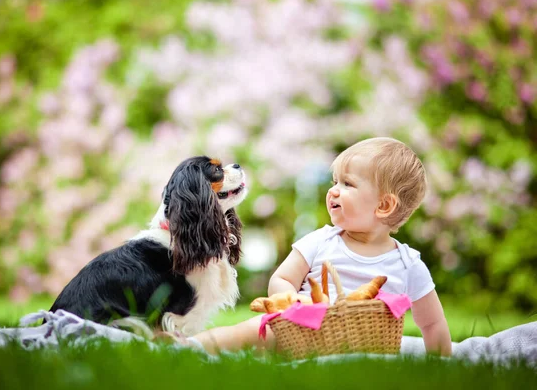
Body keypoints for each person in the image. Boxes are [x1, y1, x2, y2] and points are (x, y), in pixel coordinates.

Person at [180, 137, 452, 356]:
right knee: (253, 331)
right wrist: (294, 299)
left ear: (383, 206)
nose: (333, 190)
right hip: (302, 332)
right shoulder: (321, 241)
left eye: (347, 184)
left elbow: (432, 323)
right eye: (335, 182)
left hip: (366, 345)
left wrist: (440, 365)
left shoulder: (407, 263)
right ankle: (188, 347)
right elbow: (282, 279)